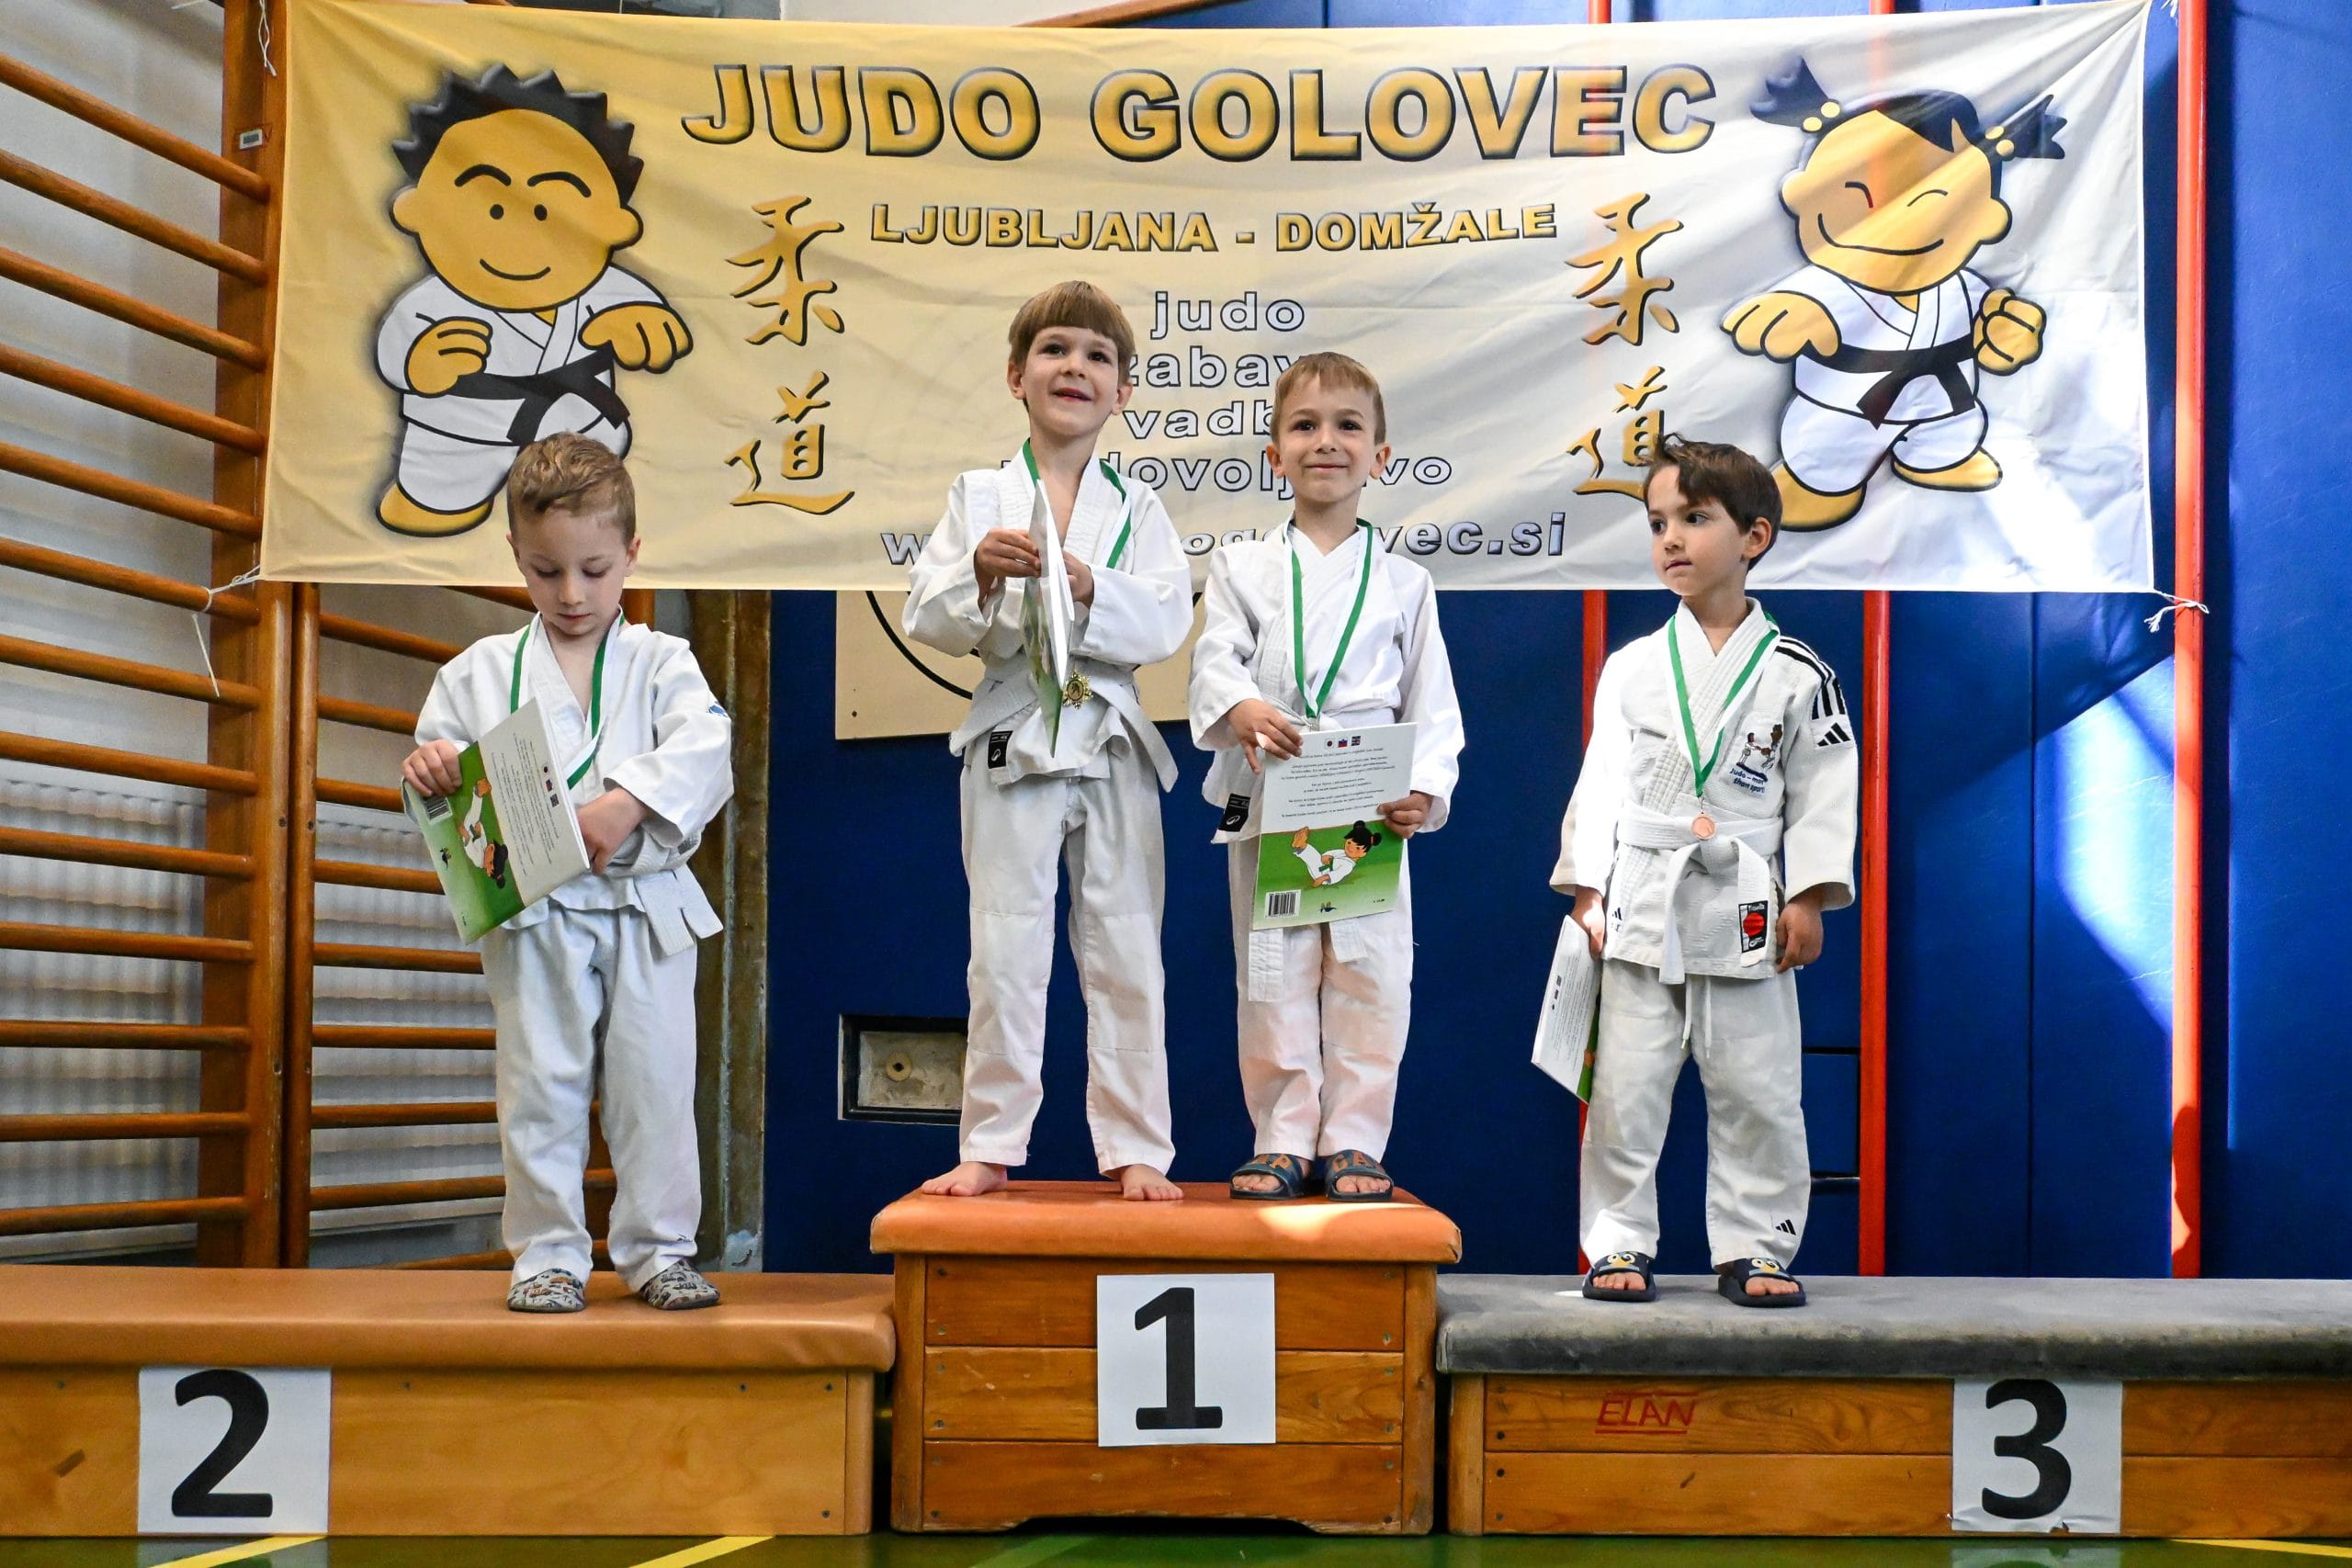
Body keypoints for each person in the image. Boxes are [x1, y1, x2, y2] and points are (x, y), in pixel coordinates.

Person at [401, 434, 732, 1313]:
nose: (573, 594)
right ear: (517, 554)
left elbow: (707, 746)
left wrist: (625, 803)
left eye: (594, 569)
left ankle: (659, 1250)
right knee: (540, 1083)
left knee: (656, 1084)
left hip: (645, 902)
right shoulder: (475, 674)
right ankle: (546, 1253)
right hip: (537, 908)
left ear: (632, 552)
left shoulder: (662, 661)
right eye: (547, 572)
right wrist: (433, 769)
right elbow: (444, 785)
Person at [902, 281, 1193, 1201]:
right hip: (1013, 730)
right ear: (1015, 376)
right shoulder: (979, 494)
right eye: (1056, 350)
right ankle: (989, 1143)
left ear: (1123, 391)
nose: (1076, 368)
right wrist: (978, 575)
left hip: (1108, 734)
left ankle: (1137, 1144)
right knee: (1003, 946)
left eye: (1098, 356)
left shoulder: (1138, 506)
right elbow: (926, 612)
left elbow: (1168, 619)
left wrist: (1094, 585)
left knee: (1128, 945)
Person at [1555, 434, 1858, 1307]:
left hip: (1747, 900)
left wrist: (1811, 894)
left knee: (1760, 1089)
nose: (1672, 539)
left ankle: (1757, 1245)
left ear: (1755, 536)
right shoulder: (1632, 667)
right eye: (1658, 524)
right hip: (1643, 895)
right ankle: (1617, 1240)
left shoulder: (1802, 673)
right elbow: (1600, 782)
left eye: (1694, 518)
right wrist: (1587, 886)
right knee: (1626, 1088)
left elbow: (1824, 790)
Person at [1189, 352, 1464, 1203]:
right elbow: (1214, 658)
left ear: (1381, 454)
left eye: (1348, 426)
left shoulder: (1407, 582)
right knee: (1272, 970)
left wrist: (1426, 787)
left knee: (1369, 973)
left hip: (1367, 792)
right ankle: (1280, 1133)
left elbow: (1433, 700)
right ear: (1275, 454)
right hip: (1277, 781)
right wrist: (1239, 705)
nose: (1326, 442)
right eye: (1304, 426)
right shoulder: (1241, 566)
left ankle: (1353, 1137)